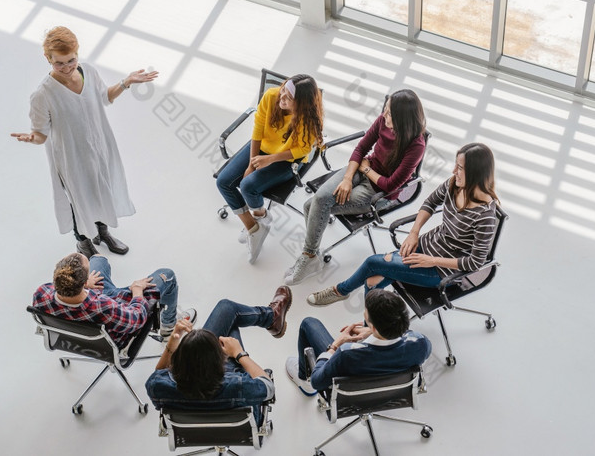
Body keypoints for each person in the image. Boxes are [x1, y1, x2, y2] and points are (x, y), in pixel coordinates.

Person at [11, 26, 159, 258]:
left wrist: (126, 82)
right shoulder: (42, 95)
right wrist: (32, 138)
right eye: (59, 63)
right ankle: (83, 241)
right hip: (71, 157)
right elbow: (40, 134)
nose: (67, 68)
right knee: (78, 197)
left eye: (71, 60)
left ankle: (102, 232)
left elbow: (104, 97)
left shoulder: (88, 72)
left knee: (101, 187)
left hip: (99, 146)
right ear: (47, 58)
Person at [306, 142, 499, 306]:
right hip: (424, 246)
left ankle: (341, 291)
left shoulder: (486, 216)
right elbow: (430, 203)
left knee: (373, 263)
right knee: (373, 282)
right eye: (455, 165)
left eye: (460, 168)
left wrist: (431, 261)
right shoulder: (453, 184)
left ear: (475, 173)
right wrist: (414, 232)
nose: (453, 171)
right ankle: (372, 330)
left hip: (441, 270)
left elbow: (475, 263)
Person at [284, 89, 427, 285]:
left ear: (403, 119)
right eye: (385, 109)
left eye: (390, 113)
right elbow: (361, 148)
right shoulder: (383, 120)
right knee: (315, 203)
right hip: (361, 170)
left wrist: (366, 170)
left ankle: (309, 256)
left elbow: (390, 184)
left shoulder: (416, 145)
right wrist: (347, 179)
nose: (384, 115)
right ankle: (311, 256)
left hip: (379, 193)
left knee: (313, 206)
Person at [216, 75, 324, 264]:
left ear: (301, 104)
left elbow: (303, 149)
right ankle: (254, 228)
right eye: (283, 90)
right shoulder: (271, 96)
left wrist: (270, 159)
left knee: (248, 186)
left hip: (289, 158)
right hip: (263, 148)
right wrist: (252, 164)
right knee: (223, 182)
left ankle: (261, 216)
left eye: (289, 97)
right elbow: (257, 130)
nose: (282, 97)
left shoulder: (308, 119)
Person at [145, 287, 293, 425]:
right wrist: (239, 353)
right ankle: (271, 317)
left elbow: (159, 373)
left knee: (228, 320)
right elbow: (268, 387)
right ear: (222, 361)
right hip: (239, 421)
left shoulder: (157, 387)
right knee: (228, 314)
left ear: (178, 363)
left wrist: (173, 340)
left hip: (196, 428)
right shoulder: (239, 385)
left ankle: (271, 317)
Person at [286, 289, 431, 395]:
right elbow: (408, 335)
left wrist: (335, 345)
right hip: (392, 394)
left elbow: (317, 382)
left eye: (366, 317)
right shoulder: (421, 344)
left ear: (373, 326)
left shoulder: (347, 353)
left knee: (309, 324)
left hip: (351, 395)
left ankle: (303, 380)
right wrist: (374, 332)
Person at [33, 253, 196, 347]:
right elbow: (136, 318)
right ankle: (168, 327)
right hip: (112, 329)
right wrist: (137, 292)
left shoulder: (41, 294)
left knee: (98, 259)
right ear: (83, 283)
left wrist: (87, 285)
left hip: (75, 327)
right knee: (167, 275)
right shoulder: (103, 307)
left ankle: (102, 282)